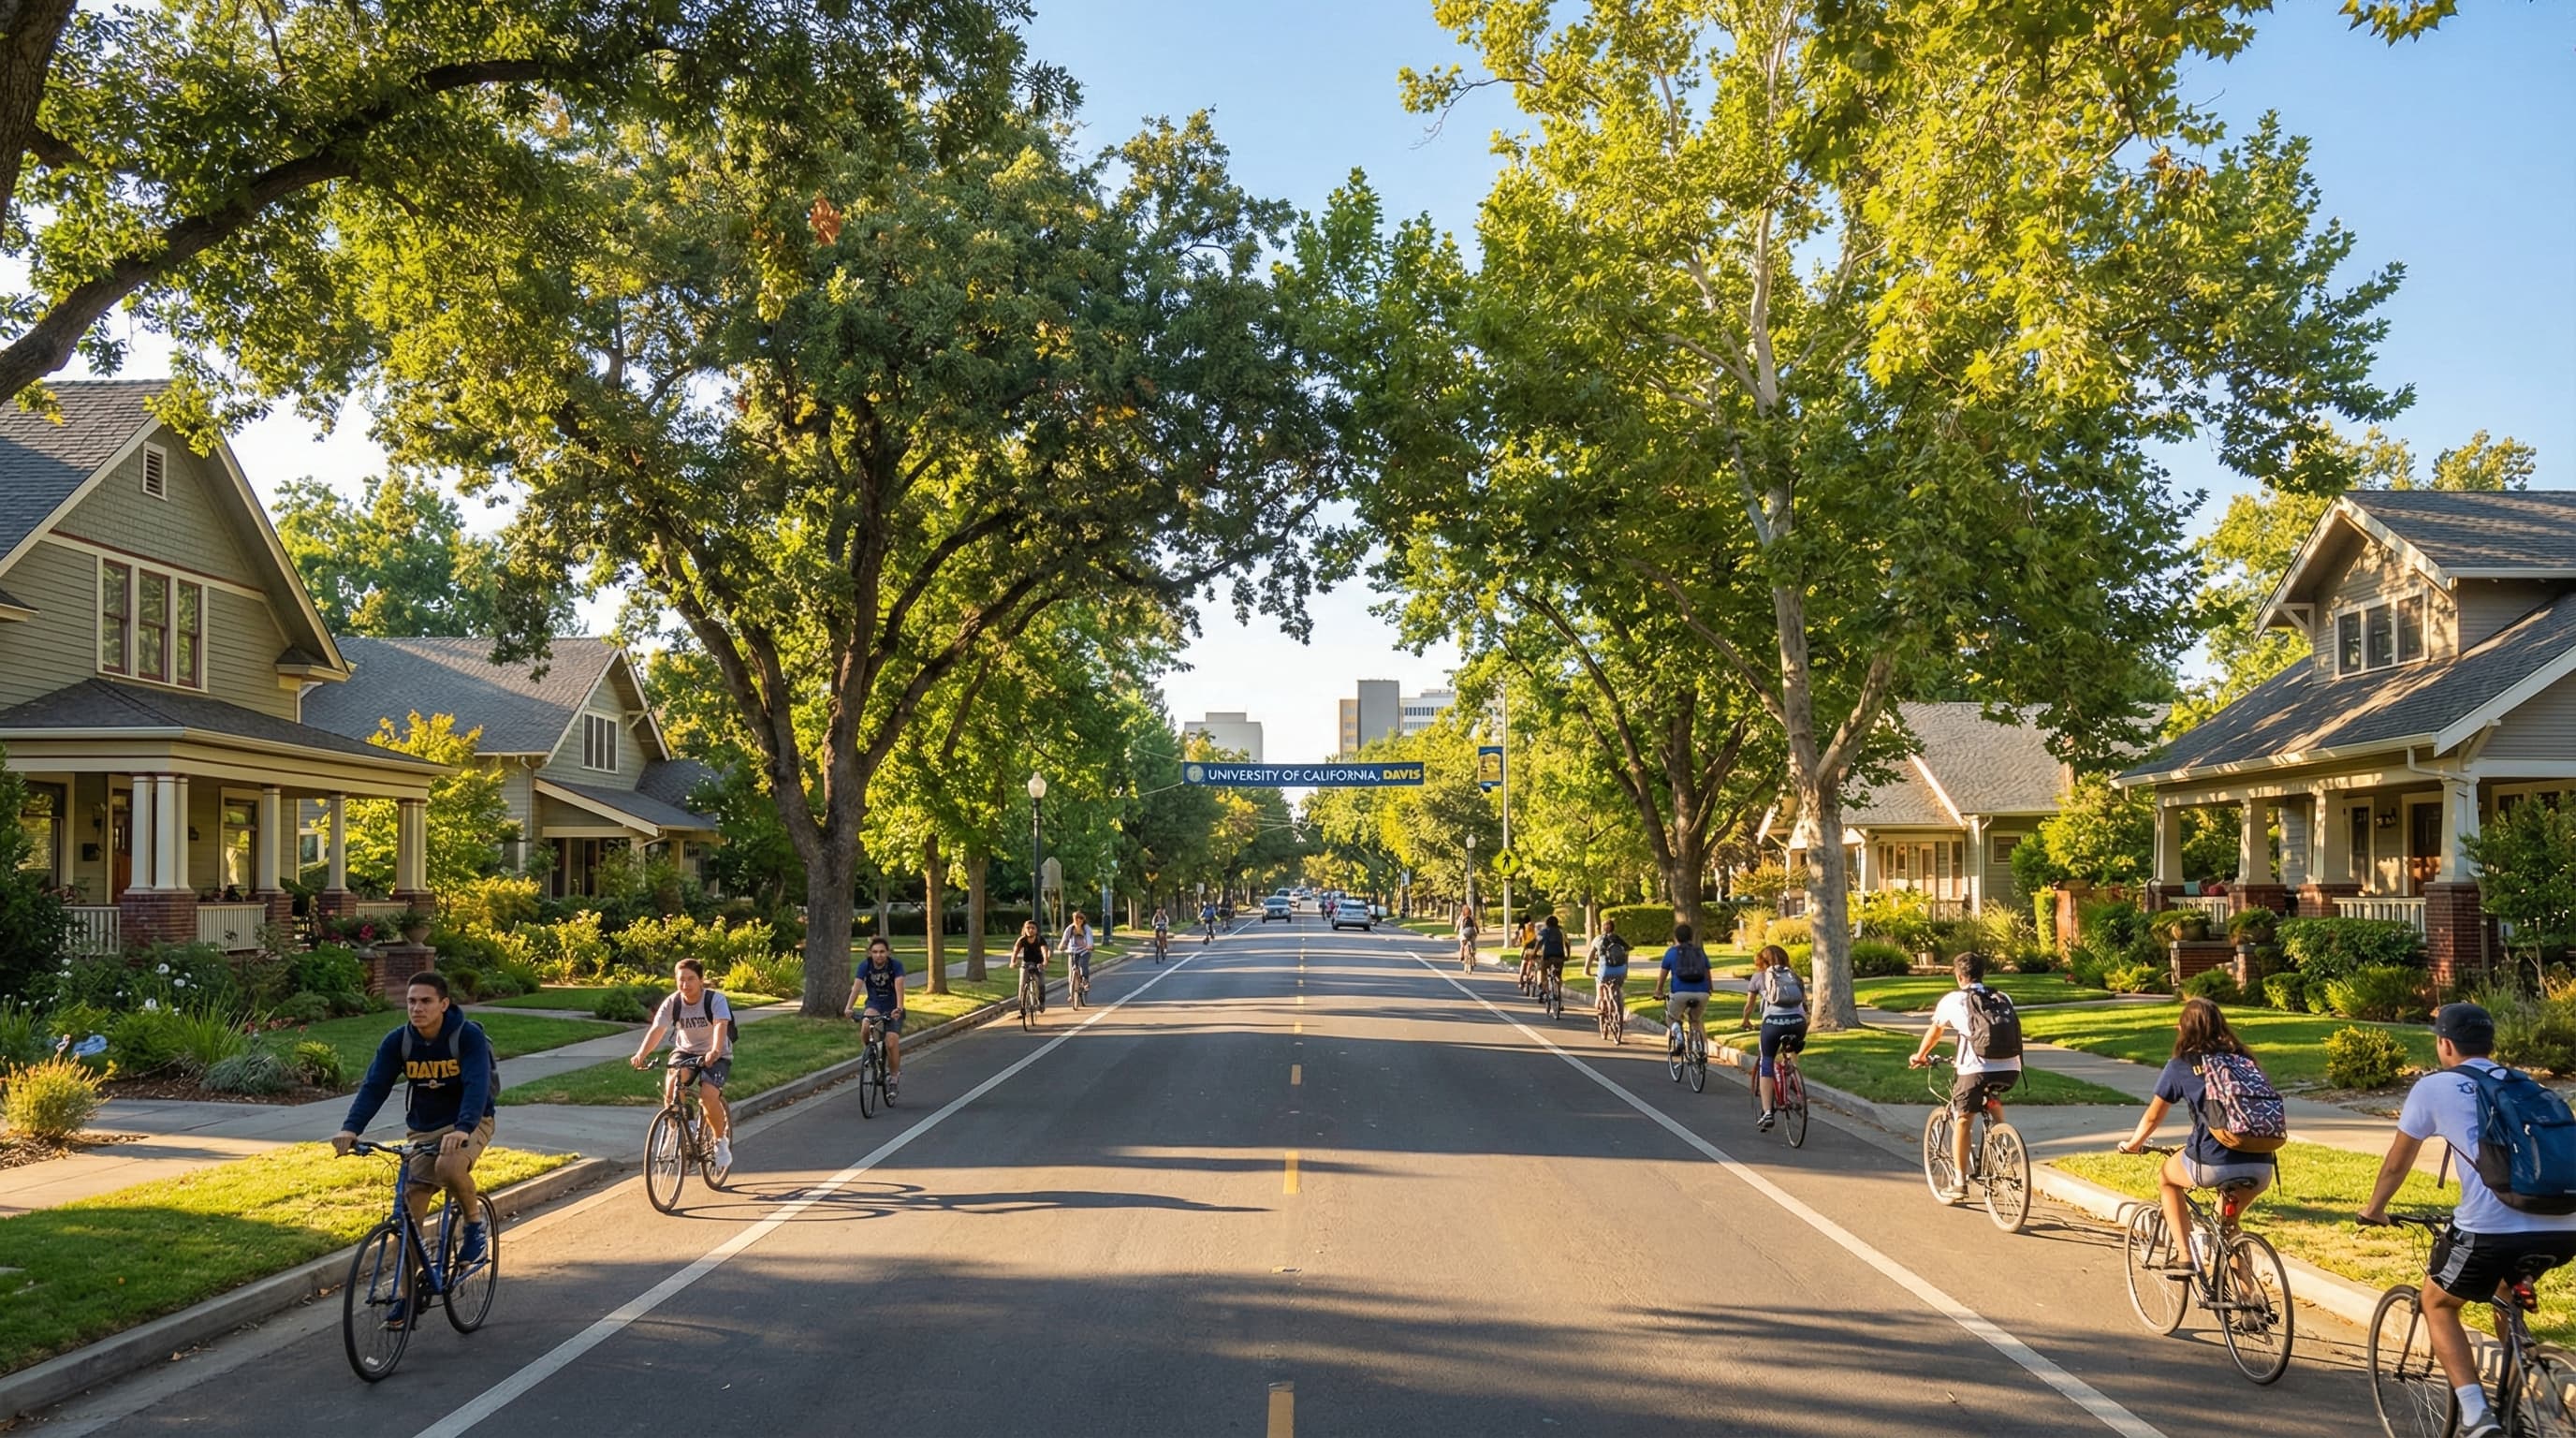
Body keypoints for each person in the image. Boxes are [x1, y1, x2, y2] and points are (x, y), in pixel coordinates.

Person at [2361, 1003, 2576, 1438]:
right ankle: (2521, 1383)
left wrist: (2374, 1209)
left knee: (2438, 1304)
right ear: (2490, 1043)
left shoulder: (2436, 1087)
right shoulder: (2523, 1083)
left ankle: (2478, 1416)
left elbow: (2397, 1164)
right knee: (2506, 1288)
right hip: (2564, 1223)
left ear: (2445, 1044)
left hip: (2490, 1229)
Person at [332, 972, 496, 1326]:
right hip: (423, 1130)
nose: (416, 1008)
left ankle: (473, 1227)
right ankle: (407, 1298)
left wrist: (464, 1128)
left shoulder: (467, 1037)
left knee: (449, 1168)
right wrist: (351, 1129)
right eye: (411, 1001)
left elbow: (476, 1085)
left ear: (443, 1004)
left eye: (425, 1001)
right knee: (409, 1217)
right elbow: (374, 1086)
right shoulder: (399, 1042)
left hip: (472, 1119)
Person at [2116, 996, 2276, 1263]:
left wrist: (2133, 1144)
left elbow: (2154, 1116)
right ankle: (2249, 1296)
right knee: (2227, 1227)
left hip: (2214, 1161)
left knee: (2167, 1178)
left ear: (2185, 1029)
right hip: (2262, 1162)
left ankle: (2185, 1256)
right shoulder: (2245, 1060)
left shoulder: (2181, 1064)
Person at [1908, 952, 2024, 1203]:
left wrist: (1920, 1056)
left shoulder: (1953, 1000)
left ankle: (1959, 1183)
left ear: (1959, 976)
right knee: (1991, 1096)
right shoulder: (2003, 997)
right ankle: (2001, 1140)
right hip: (2011, 1069)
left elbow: (1935, 1031)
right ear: (1983, 973)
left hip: (1975, 1069)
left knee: (1963, 1119)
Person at [628, 959, 737, 1177]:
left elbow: (720, 1026)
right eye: (681, 980)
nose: (685, 985)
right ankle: (676, 1130)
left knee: (708, 1096)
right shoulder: (673, 1002)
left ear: (701, 980)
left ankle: (719, 1140)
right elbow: (658, 1029)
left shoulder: (715, 1000)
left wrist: (715, 1050)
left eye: (691, 979)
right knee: (672, 1086)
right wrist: (642, 1053)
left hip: (716, 1053)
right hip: (686, 1051)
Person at [1742, 944, 1808, 1130]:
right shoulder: (1794, 977)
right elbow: (1805, 1005)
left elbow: (1749, 1007)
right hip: (1798, 1022)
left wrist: (1745, 1020)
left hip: (1773, 1024)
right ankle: (1793, 1079)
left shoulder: (1758, 977)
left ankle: (1767, 1112)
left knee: (1767, 1061)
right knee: (1792, 1050)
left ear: (1761, 962)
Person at [848, 935, 907, 1093]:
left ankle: (894, 1077)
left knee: (891, 1042)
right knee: (866, 1024)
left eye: (882, 951)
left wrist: (899, 1008)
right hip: (874, 1004)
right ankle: (869, 1053)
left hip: (893, 1007)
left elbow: (899, 986)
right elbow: (857, 987)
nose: (878, 955)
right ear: (870, 953)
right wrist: (849, 1008)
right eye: (875, 952)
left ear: (888, 952)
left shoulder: (895, 966)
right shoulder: (865, 966)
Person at [1652, 922, 1715, 1059]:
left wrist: (1658, 991)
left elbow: (1662, 975)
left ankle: (1679, 1037)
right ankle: (1701, 1051)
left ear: (1676, 937)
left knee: (1671, 1018)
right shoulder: (1699, 952)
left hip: (1680, 993)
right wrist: (1710, 988)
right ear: (1691, 937)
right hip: (1702, 993)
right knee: (1696, 1021)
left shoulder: (1671, 952)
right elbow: (1707, 972)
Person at [1585, 917, 1632, 1034]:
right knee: (1619, 989)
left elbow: (1590, 956)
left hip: (1605, 971)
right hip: (1620, 970)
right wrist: (1625, 970)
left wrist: (1587, 970)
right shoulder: (1618, 940)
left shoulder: (1598, 940)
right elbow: (1626, 954)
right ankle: (1620, 1011)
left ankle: (1600, 1009)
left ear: (1602, 928)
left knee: (1600, 988)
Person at [1011, 919, 1051, 1013]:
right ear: (1024, 929)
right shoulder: (1022, 940)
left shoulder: (1040, 939)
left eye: (1033, 928)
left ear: (1036, 930)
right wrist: (1013, 962)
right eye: (1028, 928)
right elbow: (1015, 951)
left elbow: (1044, 951)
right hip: (1026, 963)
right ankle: (1022, 1005)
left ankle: (1041, 1002)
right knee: (1022, 983)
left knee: (1041, 983)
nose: (1030, 930)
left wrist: (1045, 961)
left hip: (1039, 963)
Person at [1534, 915, 1570, 1008]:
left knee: (1543, 971)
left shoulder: (1544, 931)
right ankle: (1559, 996)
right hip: (1559, 956)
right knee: (1558, 975)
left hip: (1547, 956)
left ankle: (1545, 990)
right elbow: (1567, 943)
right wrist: (1567, 955)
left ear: (1547, 923)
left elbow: (1539, 942)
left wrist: (1534, 953)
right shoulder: (1561, 931)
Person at [1060, 911, 1095, 994]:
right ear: (1073, 919)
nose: (1078, 920)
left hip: (1085, 951)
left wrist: (1089, 946)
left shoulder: (1086, 928)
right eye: (1076, 918)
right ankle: (1072, 994)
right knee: (1071, 972)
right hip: (1073, 951)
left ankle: (1085, 981)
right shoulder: (1070, 928)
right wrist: (1062, 946)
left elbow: (1089, 938)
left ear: (1083, 920)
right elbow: (1064, 940)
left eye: (1081, 918)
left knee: (1083, 964)